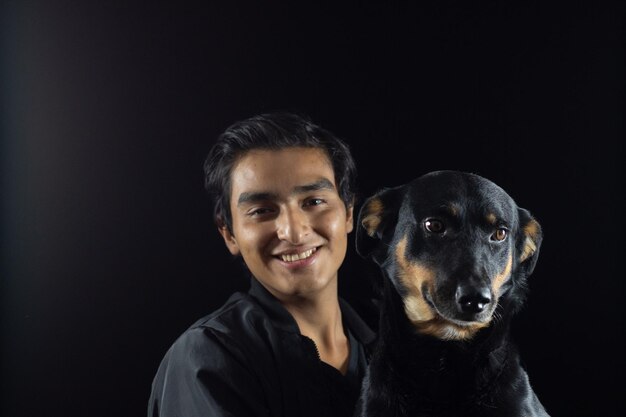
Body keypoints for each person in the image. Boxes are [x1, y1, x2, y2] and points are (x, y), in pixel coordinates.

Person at [147, 112, 376, 417]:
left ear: (348, 212)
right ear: (228, 232)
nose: (294, 232)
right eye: (262, 210)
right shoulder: (209, 358)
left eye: (313, 201)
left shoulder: (391, 334)